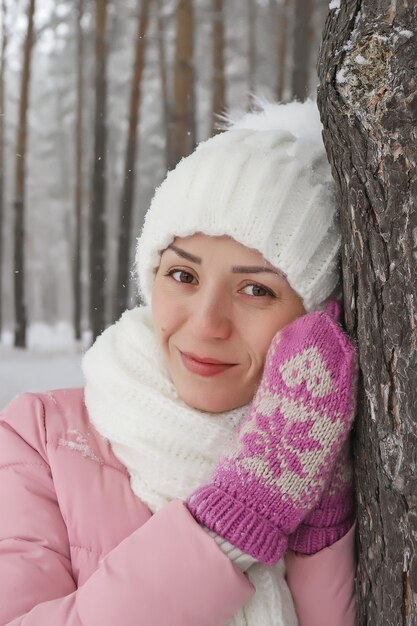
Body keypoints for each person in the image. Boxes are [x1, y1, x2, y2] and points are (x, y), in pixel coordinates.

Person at [0, 100, 357, 626]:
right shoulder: (40, 437)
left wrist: (320, 518)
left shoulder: (321, 456)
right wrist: (234, 523)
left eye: (256, 289)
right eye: (183, 277)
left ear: (314, 320)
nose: (206, 324)